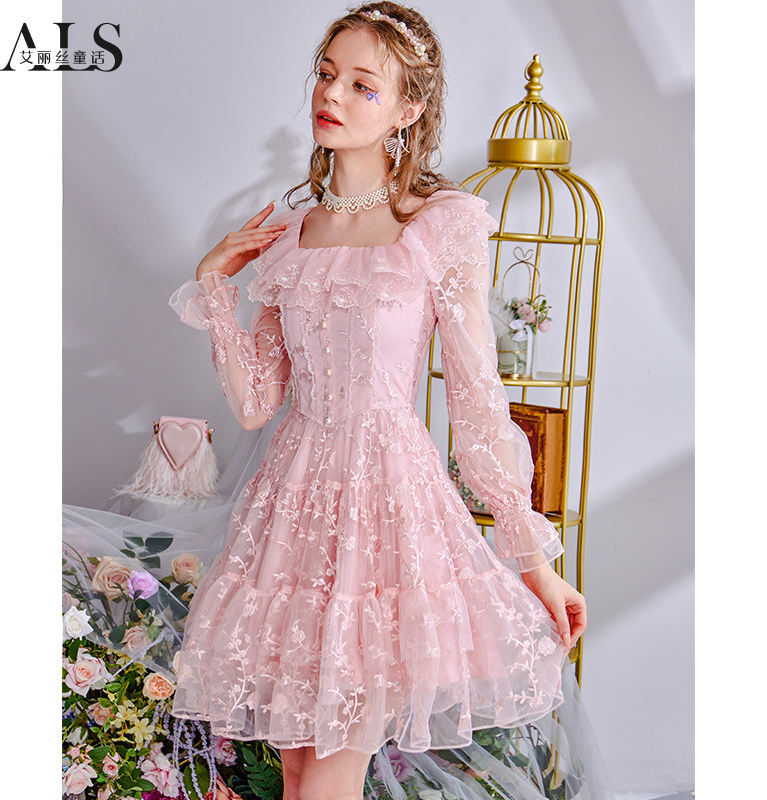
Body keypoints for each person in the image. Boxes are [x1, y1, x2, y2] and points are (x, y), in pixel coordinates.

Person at [162, 4, 609, 800]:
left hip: (387, 509)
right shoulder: (289, 237)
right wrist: (213, 286)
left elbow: (476, 398)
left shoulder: (439, 225)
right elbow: (257, 403)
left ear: (409, 109)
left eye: (363, 85)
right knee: (297, 767)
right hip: (291, 511)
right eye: (327, 74)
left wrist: (535, 565)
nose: (331, 94)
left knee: (332, 766)